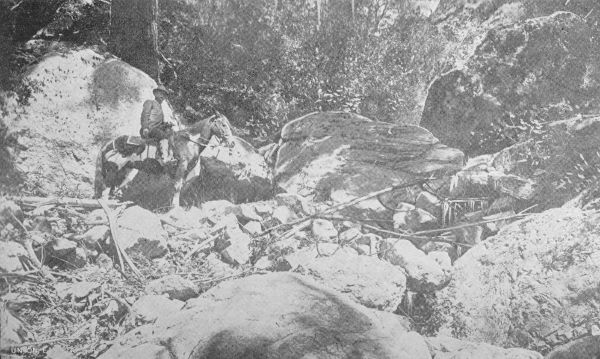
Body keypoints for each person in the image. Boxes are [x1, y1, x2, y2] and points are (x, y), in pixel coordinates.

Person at [140, 85, 176, 164]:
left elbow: (160, 123)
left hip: (156, 129)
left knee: (171, 133)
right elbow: (145, 115)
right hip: (149, 129)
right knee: (162, 135)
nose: (162, 96)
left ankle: (171, 155)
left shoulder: (160, 108)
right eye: (160, 93)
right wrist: (145, 127)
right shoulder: (150, 102)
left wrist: (167, 124)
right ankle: (165, 158)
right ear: (155, 94)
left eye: (164, 95)